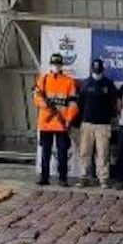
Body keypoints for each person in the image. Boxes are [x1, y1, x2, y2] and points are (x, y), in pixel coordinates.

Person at [33, 52, 79, 187]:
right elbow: (36, 96)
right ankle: (44, 177)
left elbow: (73, 104)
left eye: (58, 64)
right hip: (46, 123)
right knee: (45, 152)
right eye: (54, 64)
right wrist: (45, 104)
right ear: (50, 64)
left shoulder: (69, 81)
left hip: (62, 124)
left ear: (62, 65)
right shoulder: (43, 79)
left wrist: (68, 119)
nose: (56, 66)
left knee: (63, 152)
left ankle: (63, 178)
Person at [76, 58, 119, 187]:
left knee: (103, 152)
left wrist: (110, 118)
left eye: (99, 68)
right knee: (85, 152)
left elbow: (114, 104)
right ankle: (83, 176)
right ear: (91, 69)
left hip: (103, 124)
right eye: (95, 68)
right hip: (87, 123)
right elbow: (79, 104)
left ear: (102, 69)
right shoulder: (85, 84)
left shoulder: (109, 84)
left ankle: (103, 179)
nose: (97, 70)